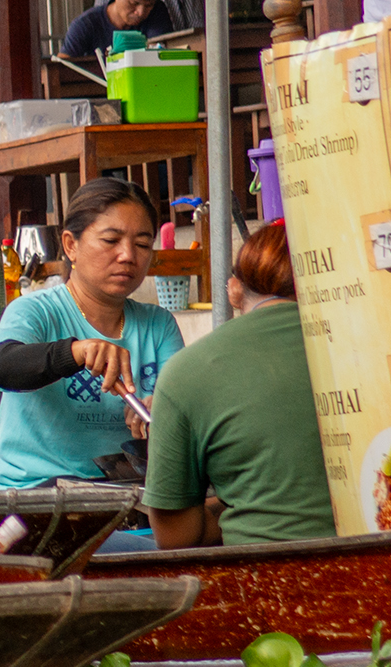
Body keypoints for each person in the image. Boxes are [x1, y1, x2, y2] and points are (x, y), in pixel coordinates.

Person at [0, 179, 187, 497]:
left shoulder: (158, 325)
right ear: (70, 245)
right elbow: (3, 368)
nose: (128, 255)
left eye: (143, 244)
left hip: (121, 495)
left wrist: (164, 409)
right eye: (110, 240)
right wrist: (74, 352)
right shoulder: (35, 311)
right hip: (29, 495)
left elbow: (183, 408)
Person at [141, 221, 336, 549]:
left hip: (262, 583)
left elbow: (174, 536)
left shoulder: (186, 371)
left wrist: (240, 507)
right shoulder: (380, 348)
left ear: (233, 290)